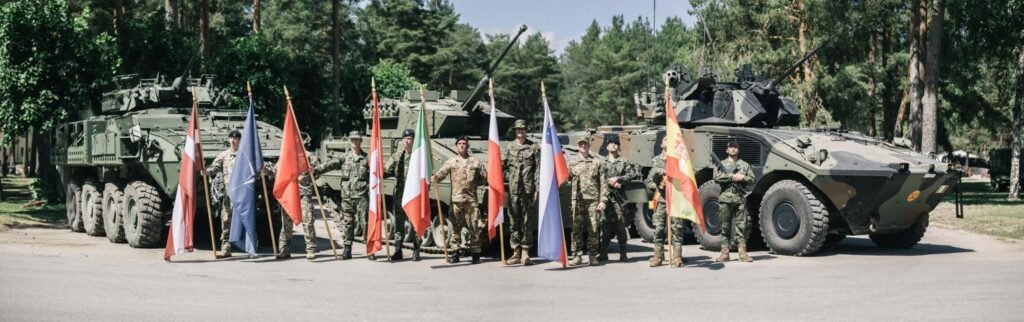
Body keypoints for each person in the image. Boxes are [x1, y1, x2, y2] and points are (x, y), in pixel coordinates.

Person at [431, 136, 488, 264]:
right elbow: (440, 175)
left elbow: (485, 177)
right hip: (456, 200)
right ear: (456, 146)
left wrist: (474, 185)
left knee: (474, 227)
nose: (462, 145)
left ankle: (475, 254)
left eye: (464, 144)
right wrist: (434, 177)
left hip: (471, 200)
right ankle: (455, 253)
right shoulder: (451, 162)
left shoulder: (476, 162)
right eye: (460, 144)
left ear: (468, 146)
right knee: (455, 228)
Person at [314, 131, 369, 260]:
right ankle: (347, 248)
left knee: (365, 223)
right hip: (347, 197)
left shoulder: (367, 158)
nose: (355, 142)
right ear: (350, 141)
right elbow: (330, 165)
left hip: (362, 197)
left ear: (361, 141)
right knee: (348, 223)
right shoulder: (344, 157)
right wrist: (316, 170)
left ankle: (369, 248)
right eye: (353, 140)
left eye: (357, 140)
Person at [274, 136, 322, 260]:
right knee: (286, 223)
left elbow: (319, 170)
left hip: (304, 193)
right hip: (290, 193)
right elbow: (277, 171)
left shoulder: (309, 156)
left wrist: (314, 171)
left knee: (308, 221)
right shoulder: (286, 156)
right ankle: (284, 249)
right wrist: (266, 171)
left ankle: (310, 249)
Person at [502, 119, 539, 266]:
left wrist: (537, 188)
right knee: (513, 221)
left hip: (528, 190)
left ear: (526, 131)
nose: (520, 131)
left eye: (522, 129)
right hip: (513, 190)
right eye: (518, 129)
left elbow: (538, 169)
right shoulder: (509, 147)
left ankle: (525, 252)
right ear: (515, 131)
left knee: (527, 221)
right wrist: (507, 177)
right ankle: (515, 252)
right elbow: (503, 167)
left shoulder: (533, 147)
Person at [646, 137, 686, 267]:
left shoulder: (680, 160)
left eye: (670, 140)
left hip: (676, 199)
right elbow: (649, 181)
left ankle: (677, 257)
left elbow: (687, 178)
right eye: (665, 140)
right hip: (661, 199)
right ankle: (658, 257)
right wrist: (658, 186)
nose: (667, 142)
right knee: (658, 229)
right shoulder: (656, 160)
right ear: (662, 144)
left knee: (677, 229)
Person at [568, 138, 607, 266]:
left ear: (589, 145)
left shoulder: (597, 162)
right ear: (577, 146)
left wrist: (603, 200)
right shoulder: (571, 162)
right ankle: (577, 255)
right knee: (576, 229)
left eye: (585, 144)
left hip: (593, 200)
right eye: (580, 144)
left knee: (594, 228)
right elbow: (564, 180)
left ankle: (592, 255)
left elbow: (603, 182)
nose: (583, 146)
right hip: (577, 199)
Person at [714, 140, 755, 263]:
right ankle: (724, 254)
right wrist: (731, 177)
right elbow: (716, 178)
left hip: (740, 199)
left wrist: (743, 177)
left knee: (741, 227)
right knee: (725, 227)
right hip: (725, 199)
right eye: (731, 147)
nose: (733, 149)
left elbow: (752, 179)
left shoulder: (745, 165)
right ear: (727, 150)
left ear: (738, 150)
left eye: (735, 147)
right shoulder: (721, 164)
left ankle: (742, 254)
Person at [384, 129, 420, 261]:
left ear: (413, 140)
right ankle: (398, 250)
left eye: (409, 138)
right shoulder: (396, 156)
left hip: (414, 195)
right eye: (404, 139)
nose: (406, 141)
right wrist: (377, 171)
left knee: (415, 223)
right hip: (400, 195)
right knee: (399, 224)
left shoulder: (419, 157)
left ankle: (416, 250)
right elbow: (387, 171)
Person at [600, 140, 639, 262]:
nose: (613, 145)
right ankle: (603, 253)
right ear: (607, 147)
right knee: (604, 225)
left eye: (615, 144)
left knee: (621, 226)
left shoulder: (624, 161)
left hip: (619, 198)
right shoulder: (602, 162)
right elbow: (597, 177)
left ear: (618, 147)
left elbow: (633, 174)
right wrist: (609, 181)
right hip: (606, 197)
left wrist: (619, 179)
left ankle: (623, 254)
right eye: (611, 143)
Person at [206, 130, 241, 258]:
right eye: (231, 138)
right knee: (226, 219)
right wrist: (207, 172)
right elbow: (215, 167)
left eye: (236, 138)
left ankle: (250, 246)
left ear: (239, 140)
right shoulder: (224, 155)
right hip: (229, 193)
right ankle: (226, 247)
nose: (233, 140)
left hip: (243, 193)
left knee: (246, 219)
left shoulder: (245, 154)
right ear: (228, 140)